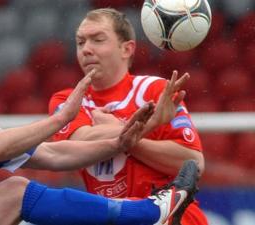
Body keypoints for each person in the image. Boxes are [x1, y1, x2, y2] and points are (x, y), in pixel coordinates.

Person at [0, 39, 199, 225]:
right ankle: (146, 214)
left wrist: (118, 142)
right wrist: (60, 120)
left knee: (20, 192)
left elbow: (54, 154)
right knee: (14, 190)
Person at [48, 8, 208, 225]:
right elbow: (77, 143)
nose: (86, 49)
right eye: (80, 42)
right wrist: (147, 126)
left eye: (97, 40)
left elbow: (193, 163)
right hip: (115, 217)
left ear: (127, 49)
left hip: (173, 218)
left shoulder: (155, 91)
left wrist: (125, 139)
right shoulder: (67, 101)